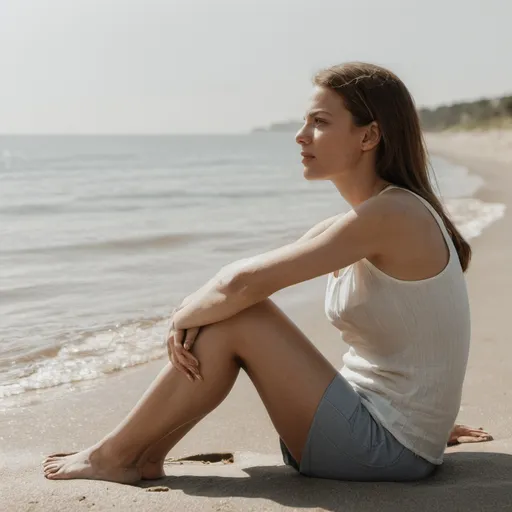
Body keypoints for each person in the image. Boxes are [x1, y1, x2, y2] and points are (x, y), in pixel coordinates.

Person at [43, 62, 492, 483]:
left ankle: (115, 455)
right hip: (368, 425)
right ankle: (140, 454)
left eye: (320, 122)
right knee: (227, 315)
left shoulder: (394, 215)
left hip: (385, 448)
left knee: (241, 315)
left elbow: (242, 285)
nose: (301, 136)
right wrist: (198, 310)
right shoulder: (367, 219)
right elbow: (242, 279)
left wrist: (182, 317)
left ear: (368, 136)